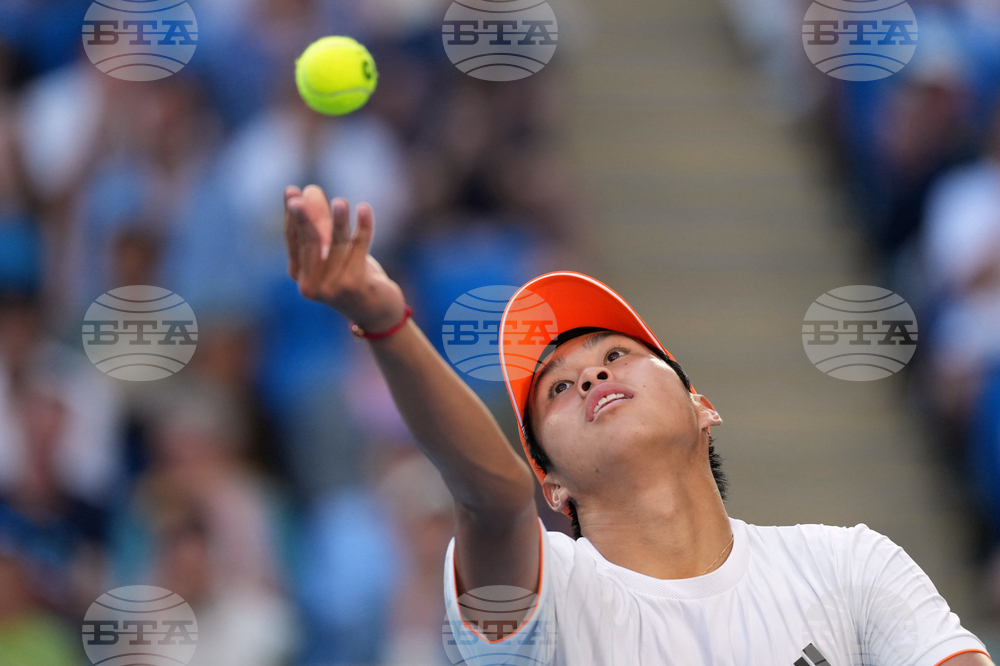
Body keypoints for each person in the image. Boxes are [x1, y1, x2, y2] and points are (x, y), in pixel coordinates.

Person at [282, 184, 993, 665]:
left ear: (701, 407)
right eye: (557, 388)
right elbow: (491, 497)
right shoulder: (550, 590)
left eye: (617, 354)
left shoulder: (849, 563)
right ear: (551, 484)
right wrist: (385, 320)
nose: (591, 376)